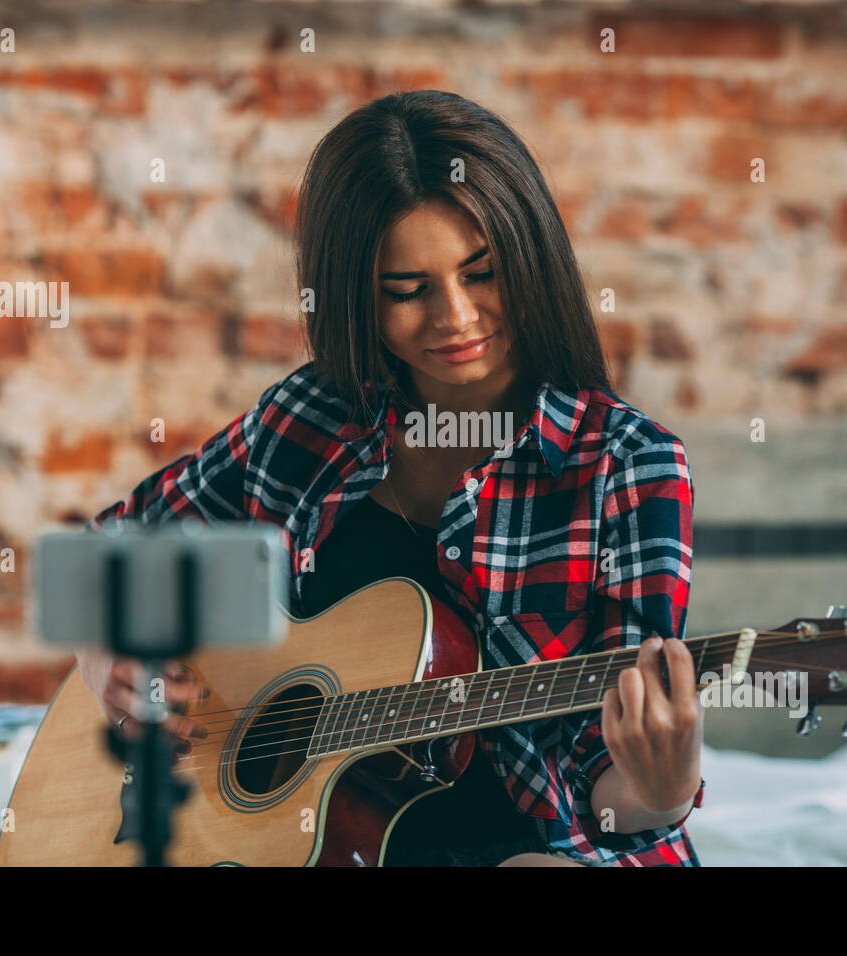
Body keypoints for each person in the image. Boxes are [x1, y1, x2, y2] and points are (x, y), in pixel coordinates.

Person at [77, 89, 704, 866]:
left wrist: (664, 787)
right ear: (352, 298)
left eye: (483, 273)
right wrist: (109, 660)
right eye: (406, 291)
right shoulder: (311, 418)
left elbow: (611, 796)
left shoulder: (628, 467)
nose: (456, 317)